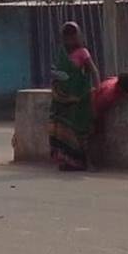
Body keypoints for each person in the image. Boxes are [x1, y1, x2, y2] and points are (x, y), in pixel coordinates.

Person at [48, 21, 101, 172]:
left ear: (78, 37)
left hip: (80, 99)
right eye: (67, 37)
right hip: (62, 100)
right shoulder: (61, 54)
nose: (70, 40)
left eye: (72, 37)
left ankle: (87, 162)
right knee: (60, 130)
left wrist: (98, 90)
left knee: (82, 131)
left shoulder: (83, 52)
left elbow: (94, 72)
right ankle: (69, 161)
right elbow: (56, 74)